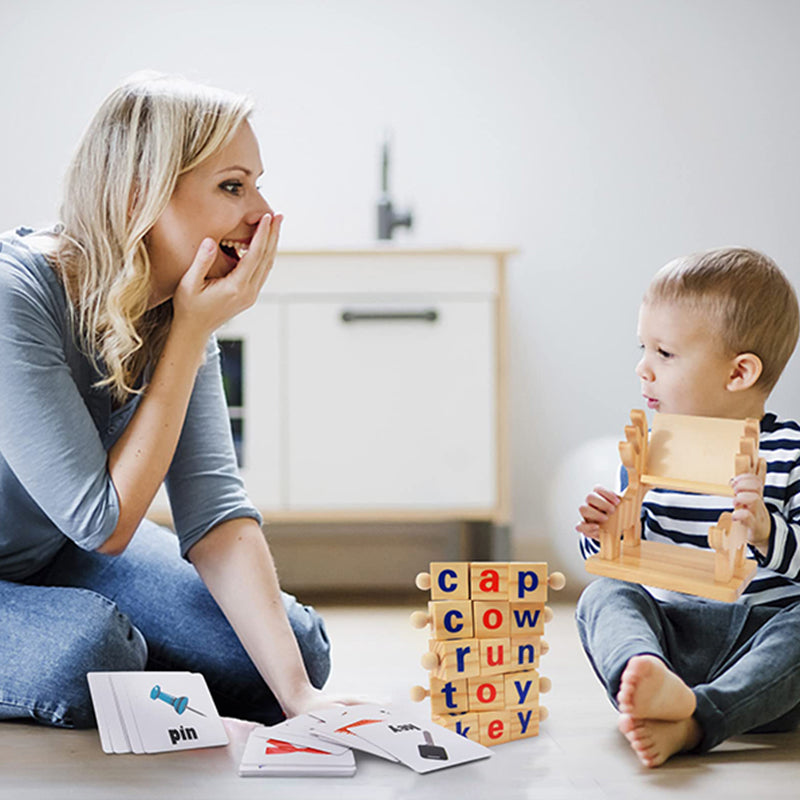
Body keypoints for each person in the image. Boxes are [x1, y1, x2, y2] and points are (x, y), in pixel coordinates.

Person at [0, 72, 349, 729]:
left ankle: (125, 674)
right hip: (71, 544)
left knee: (293, 652)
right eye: (232, 185)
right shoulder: (14, 296)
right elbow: (102, 524)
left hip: (47, 555)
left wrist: (301, 696)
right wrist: (192, 332)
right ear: (142, 194)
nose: (262, 212)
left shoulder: (176, 306)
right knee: (89, 650)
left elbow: (215, 513)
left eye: (256, 183)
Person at [575, 247, 800, 768]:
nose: (642, 369)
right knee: (604, 593)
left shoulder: (789, 453)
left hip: (761, 651)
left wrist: (767, 532)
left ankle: (699, 717)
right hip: (673, 639)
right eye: (643, 348)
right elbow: (631, 556)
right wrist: (609, 532)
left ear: (739, 373)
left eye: (665, 354)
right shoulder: (650, 452)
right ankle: (643, 673)